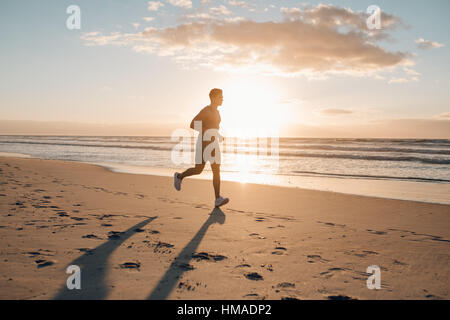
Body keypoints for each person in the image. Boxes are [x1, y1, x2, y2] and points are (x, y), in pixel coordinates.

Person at [173, 88, 229, 208]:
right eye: (220, 96)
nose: (222, 99)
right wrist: (208, 132)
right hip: (203, 143)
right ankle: (179, 176)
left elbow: (214, 127)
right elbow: (193, 124)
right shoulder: (206, 111)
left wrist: (218, 135)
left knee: (216, 170)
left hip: (214, 144)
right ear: (214, 98)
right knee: (198, 170)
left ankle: (217, 199)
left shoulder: (217, 112)